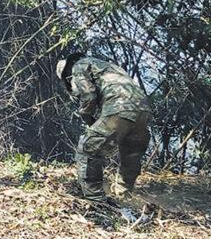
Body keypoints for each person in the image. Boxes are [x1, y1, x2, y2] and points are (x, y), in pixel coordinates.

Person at [57, 53, 153, 217]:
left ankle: (95, 200)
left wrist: (86, 116)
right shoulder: (108, 67)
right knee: (131, 154)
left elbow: (88, 96)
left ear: (67, 75)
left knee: (88, 148)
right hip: (144, 111)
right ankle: (124, 195)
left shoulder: (79, 67)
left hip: (119, 108)